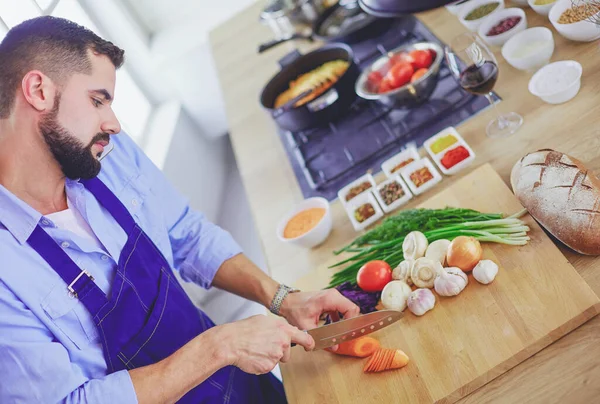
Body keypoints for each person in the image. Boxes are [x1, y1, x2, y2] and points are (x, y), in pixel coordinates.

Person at [0, 16, 360, 403]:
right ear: (38, 90)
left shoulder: (103, 154)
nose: (114, 124)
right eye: (97, 99)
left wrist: (282, 299)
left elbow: (186, 235)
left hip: (237, 384)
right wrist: (220, 347)